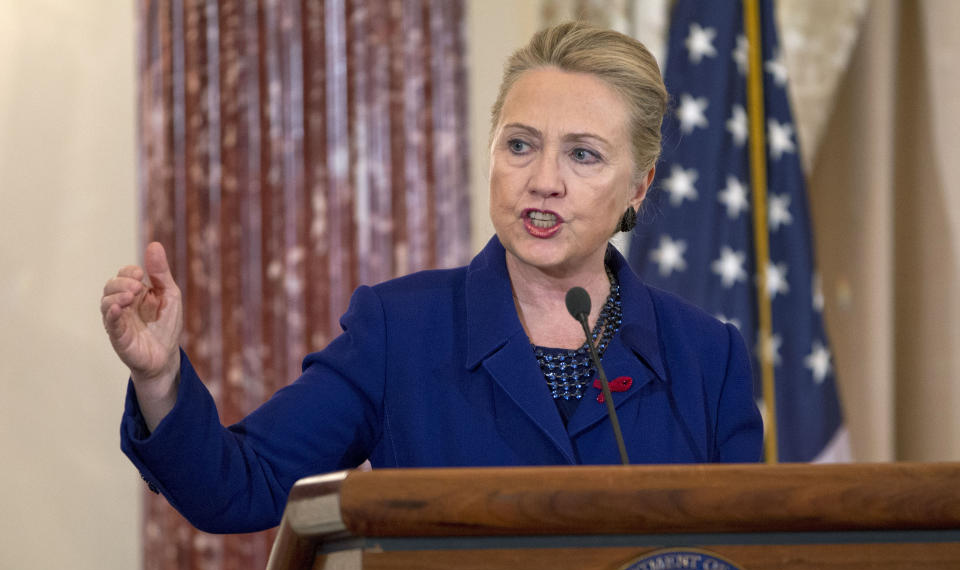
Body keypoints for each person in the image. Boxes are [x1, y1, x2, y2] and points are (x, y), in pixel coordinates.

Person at [100, 22, 762, 534]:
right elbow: (237, 488)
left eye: (583, 155)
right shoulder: (401, 331)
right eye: (521, 144)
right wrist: (159, 381)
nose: (544, 181)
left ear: (638, 188)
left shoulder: (707, 356)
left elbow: (750, 561)